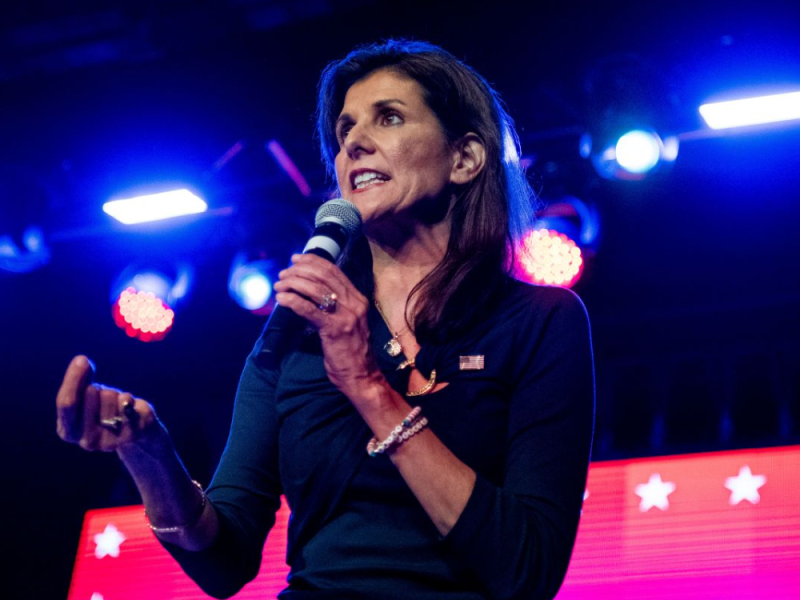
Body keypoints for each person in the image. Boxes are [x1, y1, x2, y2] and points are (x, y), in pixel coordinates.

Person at [56, 39, 594, 600]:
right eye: (344, 130)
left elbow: (528, 570)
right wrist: (150, 455)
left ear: (464, 159)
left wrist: (367, 385)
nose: (354, 142)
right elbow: (223, 563)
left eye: (389, 117)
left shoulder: (539, 321)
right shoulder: (294, 334)